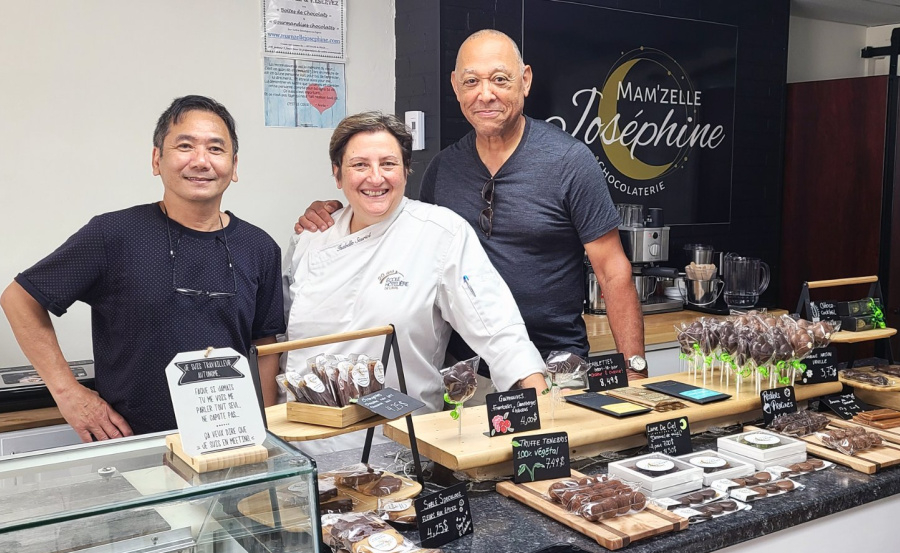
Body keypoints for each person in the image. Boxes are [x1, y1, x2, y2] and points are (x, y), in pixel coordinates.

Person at [295, 30, 648, 378]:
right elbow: (403, 237)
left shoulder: (570, 162)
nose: (485, 94)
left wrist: (633, 370)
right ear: (455, 86)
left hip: (554, 366)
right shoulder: (443, 168)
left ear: (524, 80)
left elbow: (612, 271)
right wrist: (339, 213)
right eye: (471, 82)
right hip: (462, 373)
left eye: (499, 79)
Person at [0, 95, 285, 442]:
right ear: (157, 159)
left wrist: (267, 436)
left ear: (234, 165)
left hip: (231, 444)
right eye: (184, 145)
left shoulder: (260, 247)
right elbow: (19, 299)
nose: (200, 161)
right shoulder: (113, 234)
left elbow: (264, 346)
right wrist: (68, 393)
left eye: (215, 148)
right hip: (136, 447)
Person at [281, 111, 546, 431]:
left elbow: (497, 326)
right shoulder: (310, 238)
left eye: (389, 164)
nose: (375, 177)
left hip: (398, 441)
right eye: (359, 165)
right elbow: (277, 340)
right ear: (338, 175)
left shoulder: (441, 233)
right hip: (304, 437)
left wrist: (538, 398)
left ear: (406, 171)